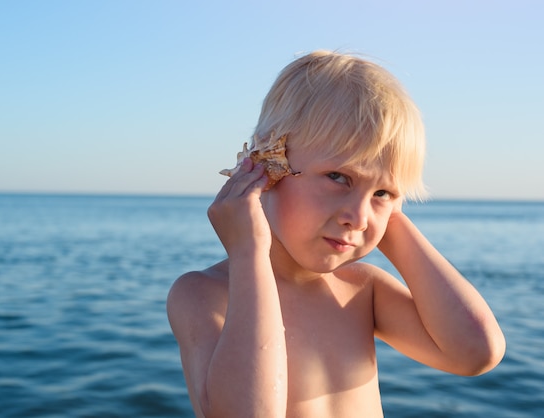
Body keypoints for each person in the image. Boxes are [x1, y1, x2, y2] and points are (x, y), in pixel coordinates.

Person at [166, 50, 505, 417]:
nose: (358, 218)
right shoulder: (205, 294)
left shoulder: (362, 290)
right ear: (267, 164)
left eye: (382, 194)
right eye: (339, 177)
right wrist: (249, 253)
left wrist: (392, 224)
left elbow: (476, 352)